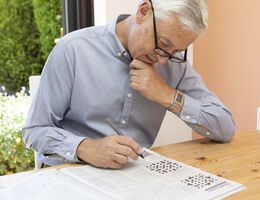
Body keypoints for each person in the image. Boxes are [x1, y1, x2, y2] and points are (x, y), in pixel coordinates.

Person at [22, 0, 235, 169]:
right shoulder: (73, 49)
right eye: (163, 44)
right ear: (143, 12)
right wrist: (86, 148)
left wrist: (166, 95)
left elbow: (225, 127)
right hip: (68, 173)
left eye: (175, 51)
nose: (163, 59)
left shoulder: (174, 63)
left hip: (133, 181)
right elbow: (34, 130)